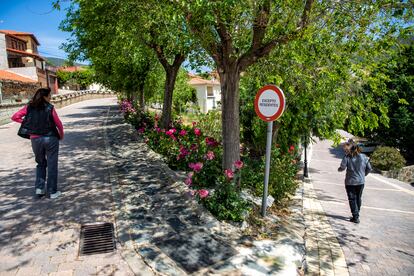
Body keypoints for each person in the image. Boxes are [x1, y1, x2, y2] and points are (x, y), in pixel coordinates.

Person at [11, 88, 64, 199]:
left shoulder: (29, 107)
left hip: (35, 139)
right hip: (50, 139)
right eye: (49, 96)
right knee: (52, 165)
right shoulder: (50, 108)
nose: (50, 98)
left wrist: (28, 122)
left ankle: (39, 188)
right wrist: (61, 135)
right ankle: (52, 192)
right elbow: (58, 124)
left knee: (40, 163)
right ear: (44, 96)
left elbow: (15, 117)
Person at [338, 140, 372, 223]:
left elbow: (342, 167)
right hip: (361, 181)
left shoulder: (347, 157)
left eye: (345, 149)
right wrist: (363, 175)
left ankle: (355, 217)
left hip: (350, 182)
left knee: (352, 199)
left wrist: (339, 169)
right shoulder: (364, 157)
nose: (345, 150)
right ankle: (356, 213)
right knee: (358, 198)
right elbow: (369, 168)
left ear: (349, 149)